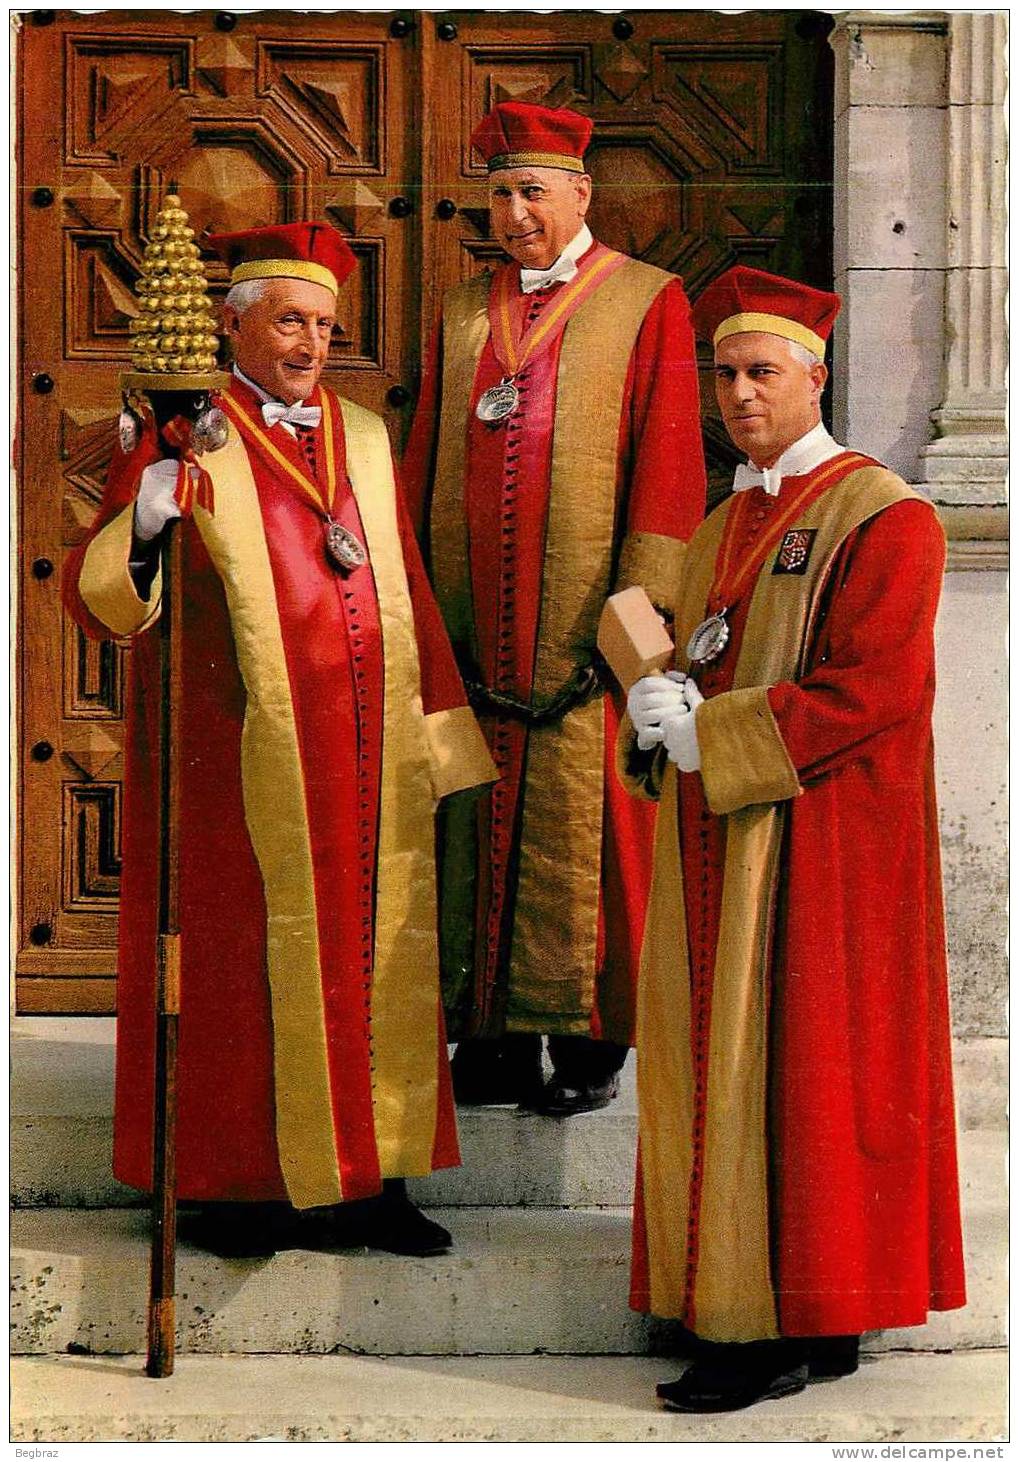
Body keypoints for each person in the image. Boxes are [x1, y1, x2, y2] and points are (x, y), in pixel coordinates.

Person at [64, 222, 496, 1258]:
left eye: (322, 324)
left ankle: (372, 1180)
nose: (308, 342)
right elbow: (103, 603)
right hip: (236, 754)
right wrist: (147, 523)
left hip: (368, 751)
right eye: (288, 320)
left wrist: (438, 730)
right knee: (244, 967)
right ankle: (242, 1187)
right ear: (234, 324)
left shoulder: (363, 435)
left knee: (378, 961)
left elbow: (400, 581)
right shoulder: (189, 431)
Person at [622, 265, 966, 1411]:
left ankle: (779, 1322)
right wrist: (653, 698)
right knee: (729, 1068)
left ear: (815, 377)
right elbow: (696, 646)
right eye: (720, 373)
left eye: (759, 371)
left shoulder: (885, 513)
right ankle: (769, 1307)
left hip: (826, 844)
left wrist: (708, 728)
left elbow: (874, 689)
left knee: (810, 1074)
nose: (736, 393)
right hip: (725, 832)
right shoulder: (726, 517)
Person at [403, 101, 706, 1114]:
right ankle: (487, 1042)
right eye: (497, 192)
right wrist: (417, 605)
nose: (513, 210)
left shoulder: (646, 301)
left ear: (580, 192)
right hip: (472, 633)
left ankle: (584, 1045)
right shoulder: (456, 309)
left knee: (588, 840)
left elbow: (666, 472)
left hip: (585, 639)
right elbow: (425, 457)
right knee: (469, 827)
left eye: (532, 190)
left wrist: (632, 629)